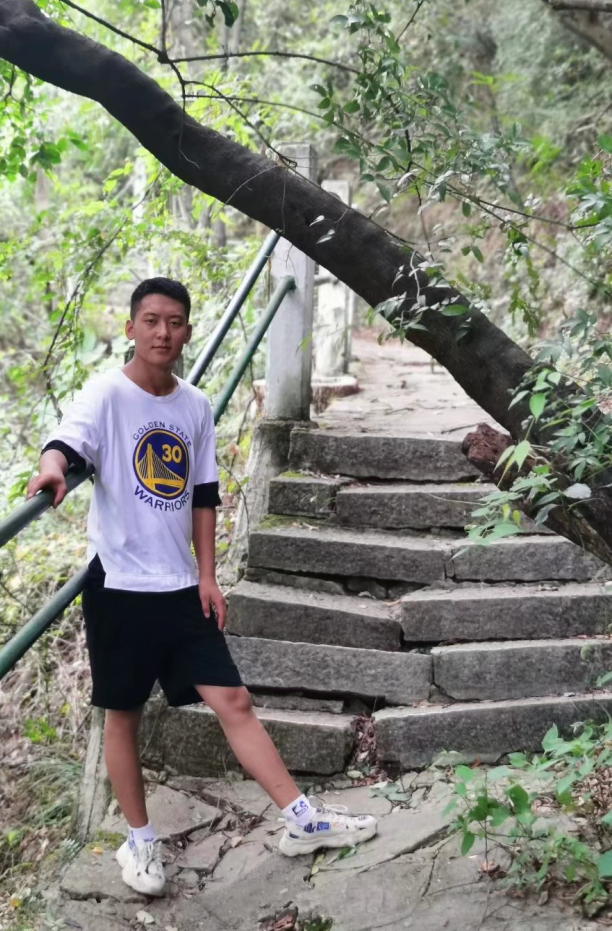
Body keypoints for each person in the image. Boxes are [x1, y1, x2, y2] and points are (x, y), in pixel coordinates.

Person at [27, 277, 377, 896]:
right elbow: (65, 443)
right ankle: (140, 842)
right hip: (120, 584)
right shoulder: (107, 393)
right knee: (123, 715)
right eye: (151, 321)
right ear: (131, 328)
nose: (163, 332)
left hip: (180, 585)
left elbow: (203, 495)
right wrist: (52, 469)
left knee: (233, 700)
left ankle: (301, 819)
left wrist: (207, 575)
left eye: (175, 322)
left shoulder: (193, 405)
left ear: (187, 331)